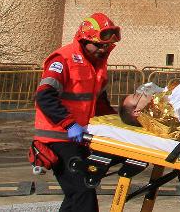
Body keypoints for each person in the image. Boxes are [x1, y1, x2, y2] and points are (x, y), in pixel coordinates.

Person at [32, 13, 119, 212]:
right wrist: (70, 124)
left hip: (80, 138)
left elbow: (100, 104)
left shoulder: (97, 67)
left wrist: (119, 124)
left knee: (76, 195)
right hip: (57, 139)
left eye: (106, 46)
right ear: (84, 39)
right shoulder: (63, 59)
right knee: (83, 194)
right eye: (98, 45)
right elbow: (45, 96)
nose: (102, 50)